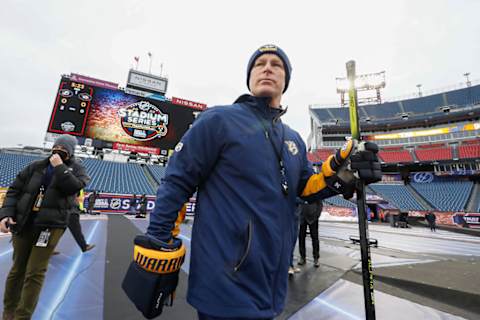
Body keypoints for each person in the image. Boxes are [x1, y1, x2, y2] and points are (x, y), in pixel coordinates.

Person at [141, 44, 382, 319]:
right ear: (250, 76)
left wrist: (344, 171)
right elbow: (176, 182)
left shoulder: (293, 139)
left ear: (286, 80)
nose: (267, 67)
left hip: (271, 288)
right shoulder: (218, 120)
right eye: (260, 63)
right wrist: (158, 240)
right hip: (223, 288)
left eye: (276, 65)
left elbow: (307, 188)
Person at [0, 134, 90, 320]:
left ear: (70, 152)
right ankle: (8, 311)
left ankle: (22, 316)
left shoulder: (77, 169)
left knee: (35, 273)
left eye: (63, 148)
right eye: (56, 146)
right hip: (24, 224)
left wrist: (60, 167)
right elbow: (14, 190)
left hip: (50, 228)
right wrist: (6, 214)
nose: (58, 149)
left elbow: (73, 187)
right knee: (17, 270)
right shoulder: (35, 166)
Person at [298, 199, 322, 267]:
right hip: (302, 217)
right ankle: (302, 257)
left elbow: (320, 204)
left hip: (313, 218)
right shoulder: (300, 189)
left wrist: (317, 215)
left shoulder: (315, 190)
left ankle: (316, 258)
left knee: (315, 238)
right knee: (301, 238)